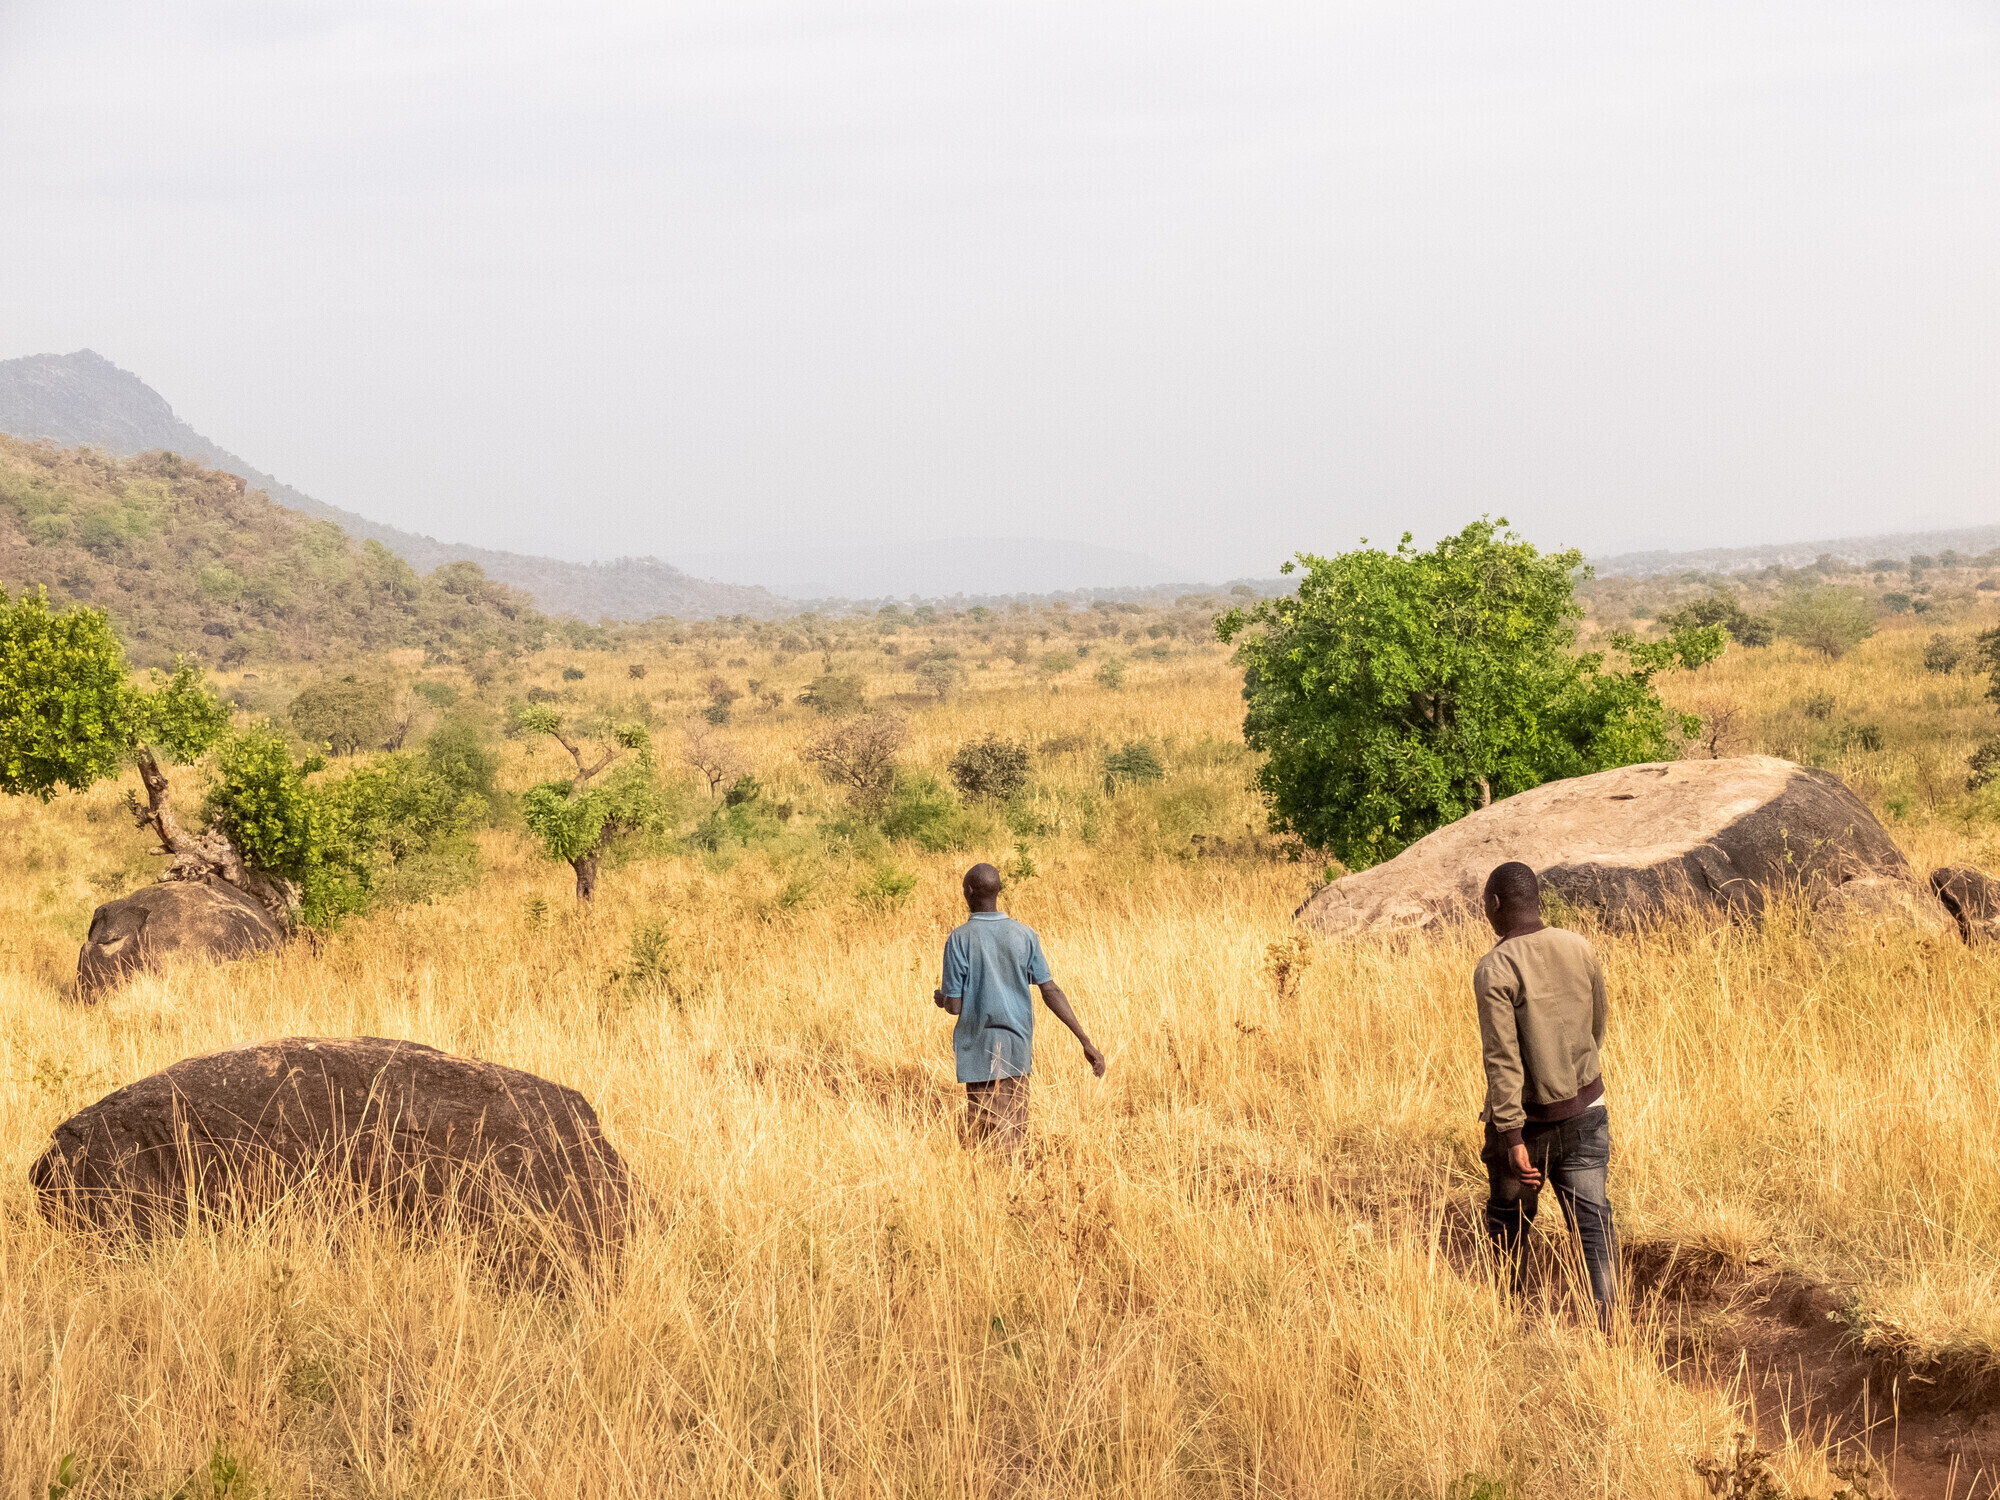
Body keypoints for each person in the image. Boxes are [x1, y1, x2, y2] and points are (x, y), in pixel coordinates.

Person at [1475, 860, 1618, 1328]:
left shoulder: (1495, 967)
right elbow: (1597, 1025)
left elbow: (1502, 1058)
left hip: (1528, 1127)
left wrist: (1512, 1135)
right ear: (1537, 899)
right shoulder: (1578, 945)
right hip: (1587, 1108)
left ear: (1495, 905)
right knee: (1594, 1225)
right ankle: (1608, 1328)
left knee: (1509, 1222)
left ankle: (1512, 1320)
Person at [934, 863, 1106, 1151]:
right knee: (1015, 1131)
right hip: (1017, 1047)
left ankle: (997, 1191)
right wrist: (1085, 1041)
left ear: (968, 891)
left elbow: (954, 1006)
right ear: (998, 891)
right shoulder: (1024, 935)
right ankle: (1017, 1187)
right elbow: (1050, 990)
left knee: (986, 1139)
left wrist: (943, 999)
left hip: (980, 1049)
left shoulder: (959, 939)